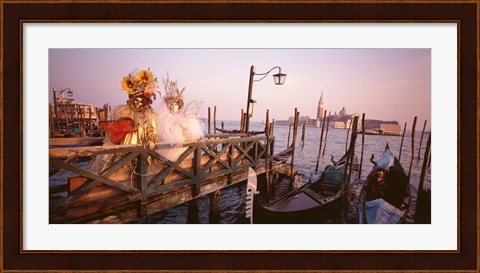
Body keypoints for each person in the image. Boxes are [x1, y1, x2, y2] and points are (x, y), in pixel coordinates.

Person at [90, 69, 159, 173]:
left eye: (140, 98)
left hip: (142, 148)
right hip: (124, 145)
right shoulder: (124, 112)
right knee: (117, 166)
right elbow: (116, 130)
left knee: (142, 170)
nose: (137, 102)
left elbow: (152, 130)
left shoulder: (148, 114)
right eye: (134, 98)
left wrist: (151, 140)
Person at [156, 75, 204, 161]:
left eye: (175, 105)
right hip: (168, 150)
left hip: (182, 151)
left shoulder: (185, 117)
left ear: (178, 106)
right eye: (170, 105)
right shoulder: (163, 118)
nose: (173, 107)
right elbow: (161, 135)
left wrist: (185, 127)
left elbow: (193, 135)